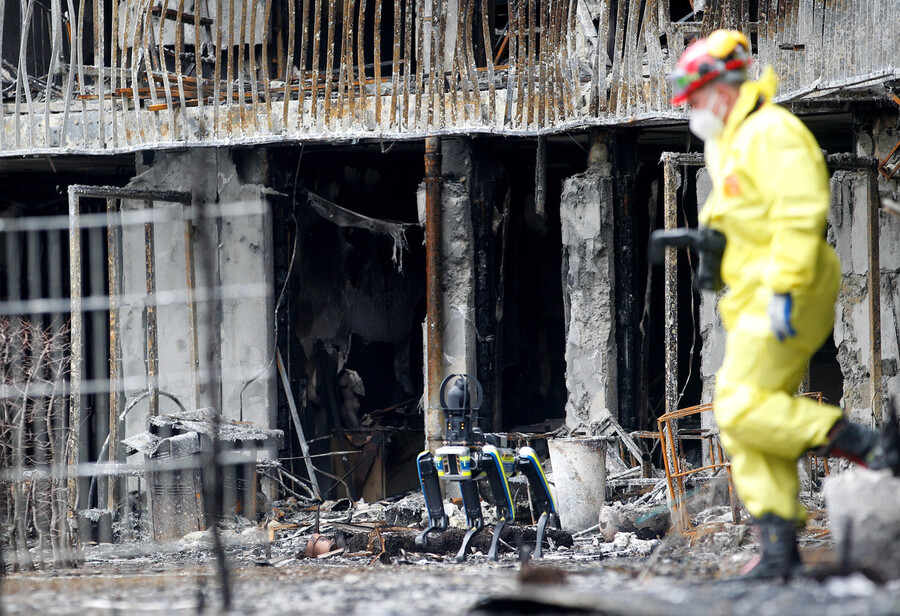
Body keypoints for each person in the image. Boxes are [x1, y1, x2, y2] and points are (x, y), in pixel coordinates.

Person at [668, 29, 900, 579]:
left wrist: (782, 290)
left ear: (723, 90)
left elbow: (799, 216)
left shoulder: (773, 132)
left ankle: (867, 445)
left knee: (742, 407)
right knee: (741, 419)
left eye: (697, 99)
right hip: (750, 295)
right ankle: (777, 549)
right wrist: (709, 248)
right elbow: (738, 219)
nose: (693, 111)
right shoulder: (724, 141)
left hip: (788, 289)